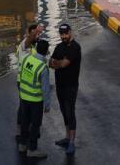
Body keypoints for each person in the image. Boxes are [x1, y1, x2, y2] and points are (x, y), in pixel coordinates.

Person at [49, 23, 82, 155]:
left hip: (71, 86)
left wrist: (58, 63)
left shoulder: (75, 47)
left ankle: (72, 142)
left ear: (70, 32)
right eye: (62, 34)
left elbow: (63, 64)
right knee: (63, 111)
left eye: (65, 33)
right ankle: (67, 137)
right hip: (60, 85)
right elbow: (50, 63)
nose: (63, 36)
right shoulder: (59, 46)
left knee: (70, 111)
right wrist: (59, 63)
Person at [17, 38, 51, 159]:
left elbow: (21, 75)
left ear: (36, 49)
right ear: (46, 52)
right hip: (35, 100)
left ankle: (22, 144)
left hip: (23, 97)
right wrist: (47, 105)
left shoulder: (27, 58)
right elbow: (45, 89)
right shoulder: (42, 67)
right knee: (35, 124)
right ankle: (32, 149)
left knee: (25, 122)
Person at [14, 23, 44, 147]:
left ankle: (23, 133)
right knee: (26, 110)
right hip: (23, 81)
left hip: (30, 82)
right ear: (29, 34)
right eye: (35, 34)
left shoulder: (34, 47)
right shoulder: (24, 45)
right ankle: (24, 135)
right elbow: (30, 39)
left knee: (24, 107)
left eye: (38, 34)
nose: (37, 36)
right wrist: (36, 31)